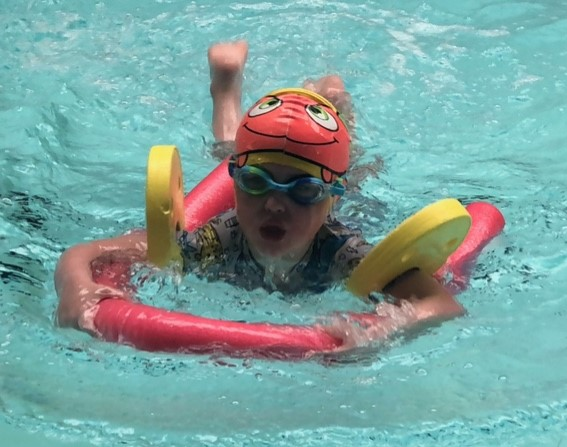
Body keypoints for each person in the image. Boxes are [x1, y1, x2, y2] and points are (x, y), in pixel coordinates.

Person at [54, 40, 464, 350]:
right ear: (235, 183)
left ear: (328, 200)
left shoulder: (343, 253)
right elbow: (84, 254)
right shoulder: (216, 240)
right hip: (292, 171)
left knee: (356, 171)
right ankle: (227, 86)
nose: (273, 203)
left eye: (302, 192)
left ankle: (333, 105)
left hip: (339, 187)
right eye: (254, 183)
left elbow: (442, 304)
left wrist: (382, 327)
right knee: (227, 152)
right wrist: (78, 290)